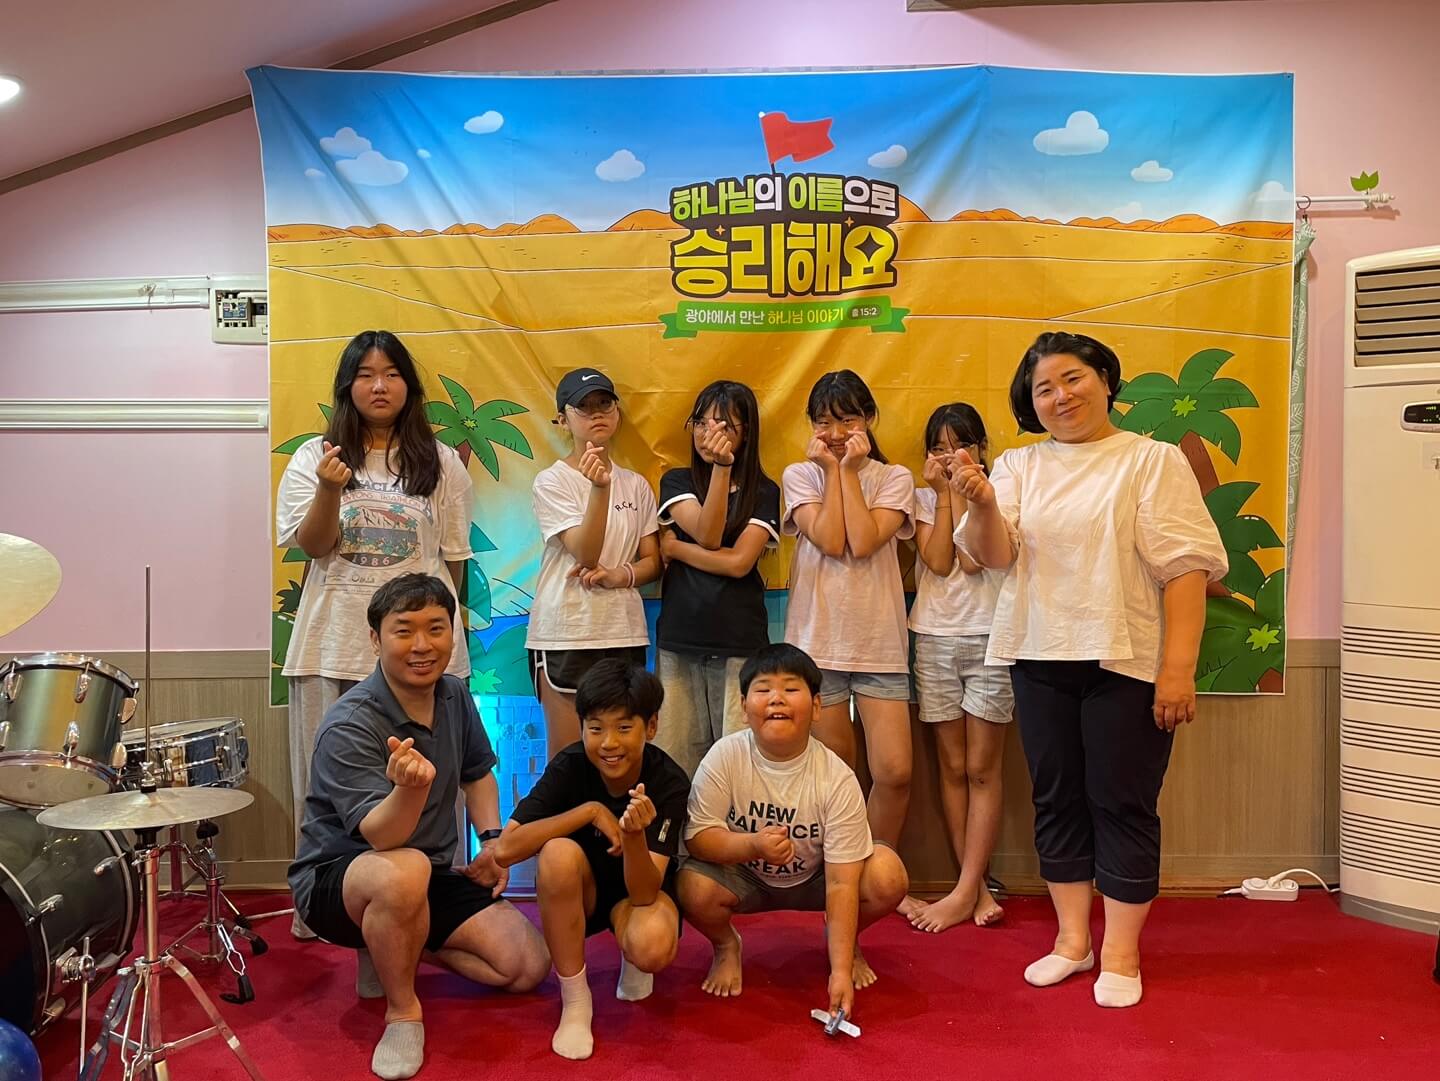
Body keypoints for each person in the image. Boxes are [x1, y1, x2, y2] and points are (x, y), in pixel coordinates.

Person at [955, 331, 1227, 1008]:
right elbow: (993, 555)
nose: (1061, 396)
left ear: (1106, 380)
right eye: (1044, 388)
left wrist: (1177, 669)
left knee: (1122, 802)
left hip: (1125, 660)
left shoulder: (1151, 459)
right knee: (1057, 800)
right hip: (1037, 655)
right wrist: (982, 502)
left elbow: (1185, 568)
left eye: (1073, 378)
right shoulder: (1018, 466)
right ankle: (1073, 941)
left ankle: (1122, 951)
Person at [287, 574, 549, 1080]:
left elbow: (478, 774)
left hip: (424, 875)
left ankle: (390, 943)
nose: (422, 645)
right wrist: (409, 789)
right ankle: (403, 1011)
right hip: (337, 880)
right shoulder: (350, 723)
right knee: (403, 870)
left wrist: (492, 842)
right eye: (404, 630)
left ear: (453, 634)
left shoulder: (453, 693)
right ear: (375, 638)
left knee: (524, 965)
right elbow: (383, 838)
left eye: (436, 628)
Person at [276, 330, 473, 938]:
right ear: (347, 386)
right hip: (332, 644)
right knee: (328, 786)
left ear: (408, 385)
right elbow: (312, 547)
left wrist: (443, 640)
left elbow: (454, 564)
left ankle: (430, 900)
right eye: (365, 374)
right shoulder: (315, 457)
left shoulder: (441, 462)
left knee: (434, 785)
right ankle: (328, 908)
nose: (379, 385)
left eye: (391, 373)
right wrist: (330, 488)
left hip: (421, 657)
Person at [677, 643, 909, 1022]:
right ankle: (726, 946)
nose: (776, 699)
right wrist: (752, 845)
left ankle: (844, 940)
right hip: (744, 876)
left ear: (816, 707)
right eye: (763, 689)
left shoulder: (836, 776)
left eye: (790, 688)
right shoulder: (724, 756)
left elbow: (841, 883)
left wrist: (839, 972)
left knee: (887, 873)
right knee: (691, 886)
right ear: (743, 706)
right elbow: (698, 838)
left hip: (817, 879)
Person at [493, 660, 689, 1061]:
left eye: (624, 728)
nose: (609, 743)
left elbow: (645, 892)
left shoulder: (668, 780)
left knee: (651, 946)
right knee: (556, 853)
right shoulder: (570, 766)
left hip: (638, 897)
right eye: (596, 728)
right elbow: (506, 849)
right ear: (581, 726)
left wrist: (633, 837)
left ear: (651, 726)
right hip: (584, 891)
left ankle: (632, 959)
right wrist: (589, 812)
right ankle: (576, 1000)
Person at [780, 370, 915, 847]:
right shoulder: (800, 474)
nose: (835, 433)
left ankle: (878, 867)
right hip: (817, 642)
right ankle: (842, 870)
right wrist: (835, 471)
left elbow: (863, 541)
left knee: (895, 771)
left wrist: (849, 472)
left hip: (879, 643)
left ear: (869, 418)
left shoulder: (895, 477)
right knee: (838, 773)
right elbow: (830, 539)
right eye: (823, 421)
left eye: (848, 420)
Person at [900, 403, 1014, 932]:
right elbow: (939, 560)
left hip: (990, 638)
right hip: (933, 637)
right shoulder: (923, 497)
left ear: (981, 448)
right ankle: (972, 888)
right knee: (950, 767)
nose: (948, 456)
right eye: (939, 447)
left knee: (982, 767)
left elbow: (972, 560)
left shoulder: (999, 491)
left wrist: (965, 490)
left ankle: (970, 887)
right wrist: (945, 493)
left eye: (959, 445)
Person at [526, 368, 661, 758]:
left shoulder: (636, 484)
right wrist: (600, 488)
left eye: (605, 403)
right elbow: (585, 552)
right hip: (567, 632)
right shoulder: (551, 481)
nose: (597, 413)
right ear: (563, 419)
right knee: (569, 759)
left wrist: (621, 575)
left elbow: (654, 563)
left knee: (622, 754)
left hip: (624, 632)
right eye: (583, 407)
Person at [654, 380, 782, 776]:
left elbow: (739, 563)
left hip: (739, 641)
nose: (709, 432)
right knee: (676, 760)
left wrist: (677, 549)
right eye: (701, 422)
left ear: (746, 433)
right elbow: (711, 535)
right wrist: (719, 472)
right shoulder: (677, 481)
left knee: (738, 763)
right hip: (680, 639)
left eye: (724, 424)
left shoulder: (763, 491)